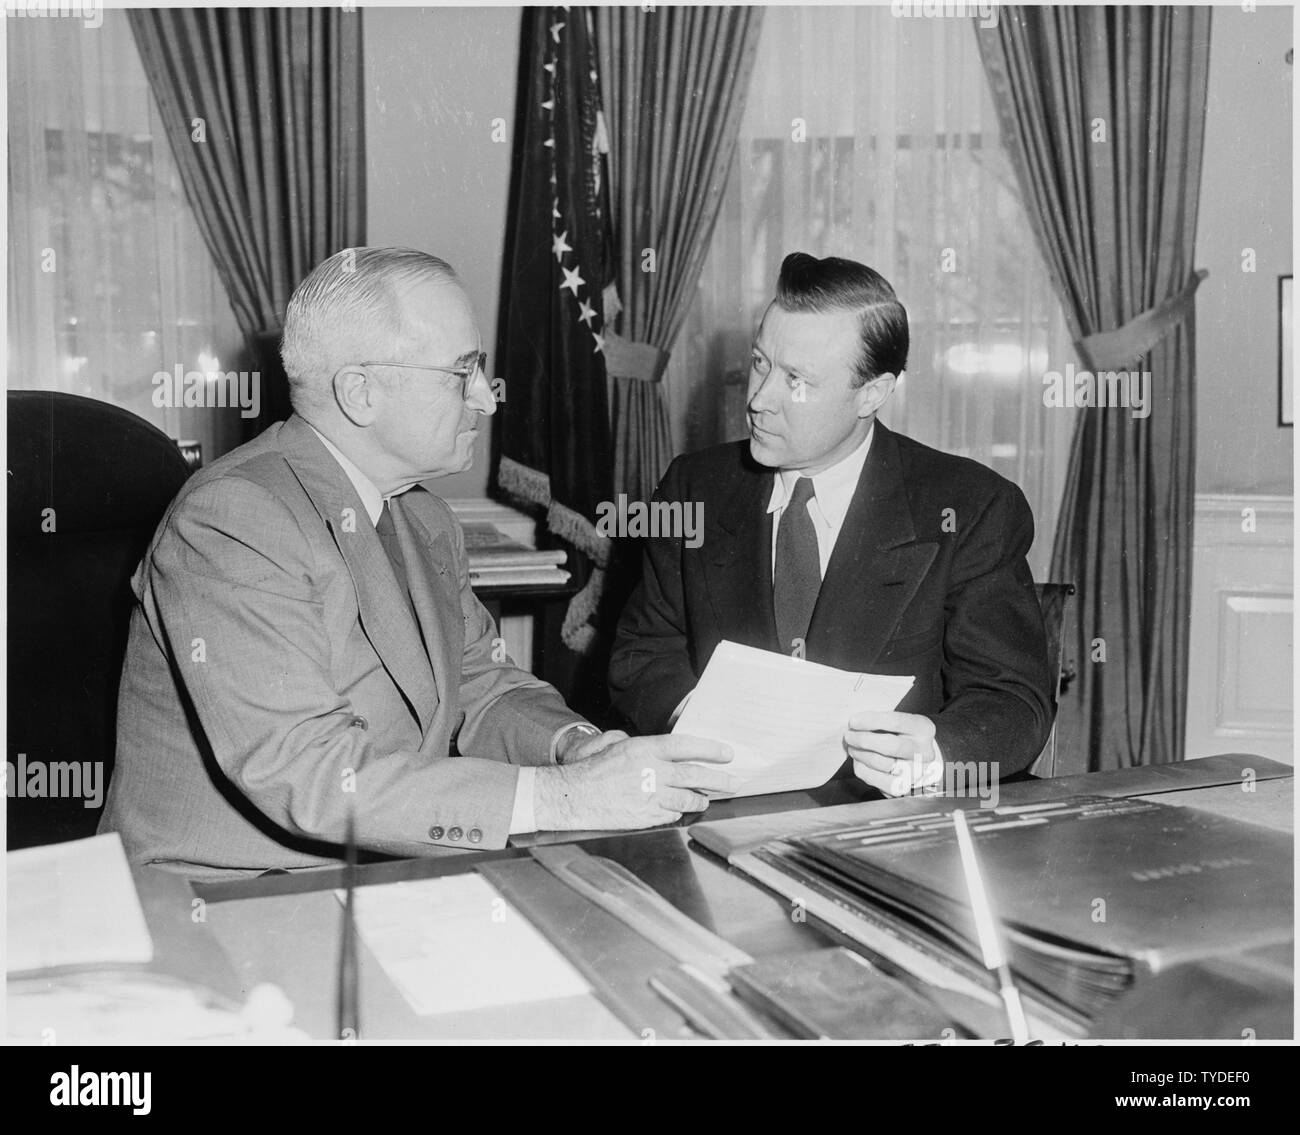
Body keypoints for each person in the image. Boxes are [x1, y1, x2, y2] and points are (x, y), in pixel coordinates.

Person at [100, 247, 734, 876]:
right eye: (463, 373)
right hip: (232, 900)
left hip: (381, 873)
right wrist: (565, 799)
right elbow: (311, 775)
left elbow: (484, 686)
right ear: (360, 393)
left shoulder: (419, 514)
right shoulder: (233, 520)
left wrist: (575, 750)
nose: (487, 400)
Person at [608, 252, 1053, 796]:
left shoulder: (971, 507)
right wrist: (696, 723)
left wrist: (934, 754)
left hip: (887, 818)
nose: (758, 400)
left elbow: (1014, 700)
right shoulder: (693, 488)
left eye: (796, 380)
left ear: (873, 393)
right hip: (719, 805)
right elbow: (642, 652)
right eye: (759, 363)